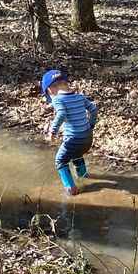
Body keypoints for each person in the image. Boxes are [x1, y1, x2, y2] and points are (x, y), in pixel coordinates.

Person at [41, 68, 98, 197]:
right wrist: (91, 124)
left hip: (74, 139)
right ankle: (83, 176)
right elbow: (93, 109)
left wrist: (52, 132)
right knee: (76, 154)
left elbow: (61, 114)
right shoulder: (79, 96)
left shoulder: (57, 99)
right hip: (88, 137)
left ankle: (71, 189)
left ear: (50, 90)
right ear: (66, 84)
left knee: (60, 161)